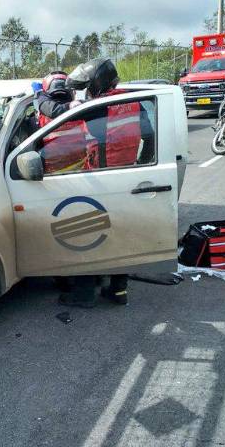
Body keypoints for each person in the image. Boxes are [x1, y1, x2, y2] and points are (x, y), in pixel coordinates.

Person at [62, 58, 155, 306]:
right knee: (120, 236)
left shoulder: (98, 107)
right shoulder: (133, 102)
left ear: (97, 83)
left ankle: (83, 295)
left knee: (89, 237)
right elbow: (150, 137)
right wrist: (141, 166)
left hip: (100, 181)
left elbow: (63, 116)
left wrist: (43, 98)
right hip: (126, 178)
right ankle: (118, 291)